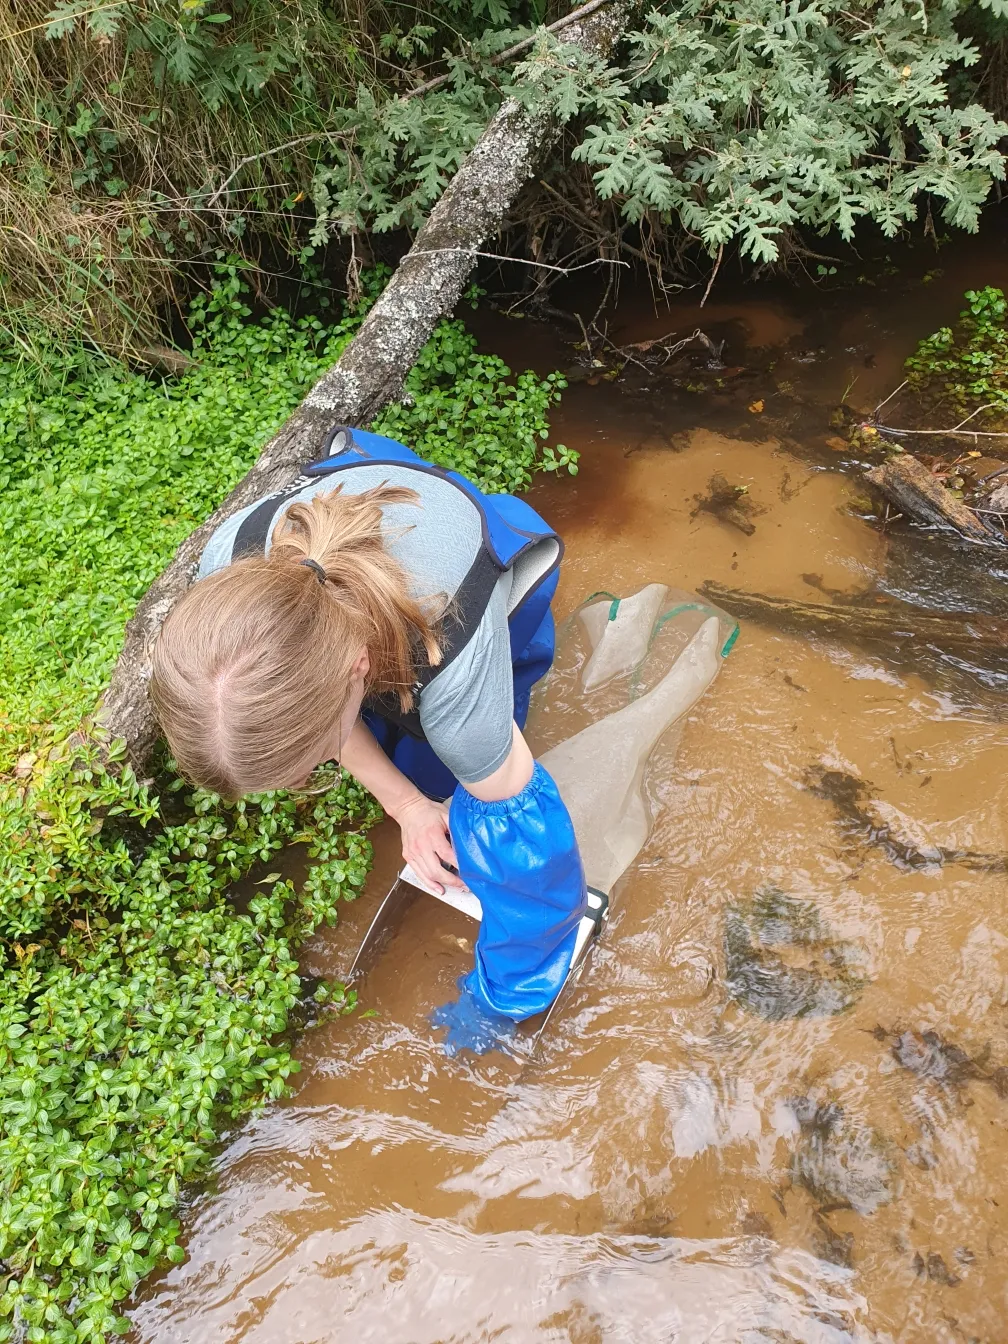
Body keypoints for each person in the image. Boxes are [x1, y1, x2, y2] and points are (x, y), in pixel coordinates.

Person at [150, 426, 587, 1024]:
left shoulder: (456, 681)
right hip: (366, 502)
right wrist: (408, 806)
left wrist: (504, 1003)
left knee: (468, 768)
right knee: (416, 770)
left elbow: (536, 871)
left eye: (317, 754)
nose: (321, 765)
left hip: (471, 566)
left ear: (358, 668)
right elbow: (322, 707)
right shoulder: (226, 583)